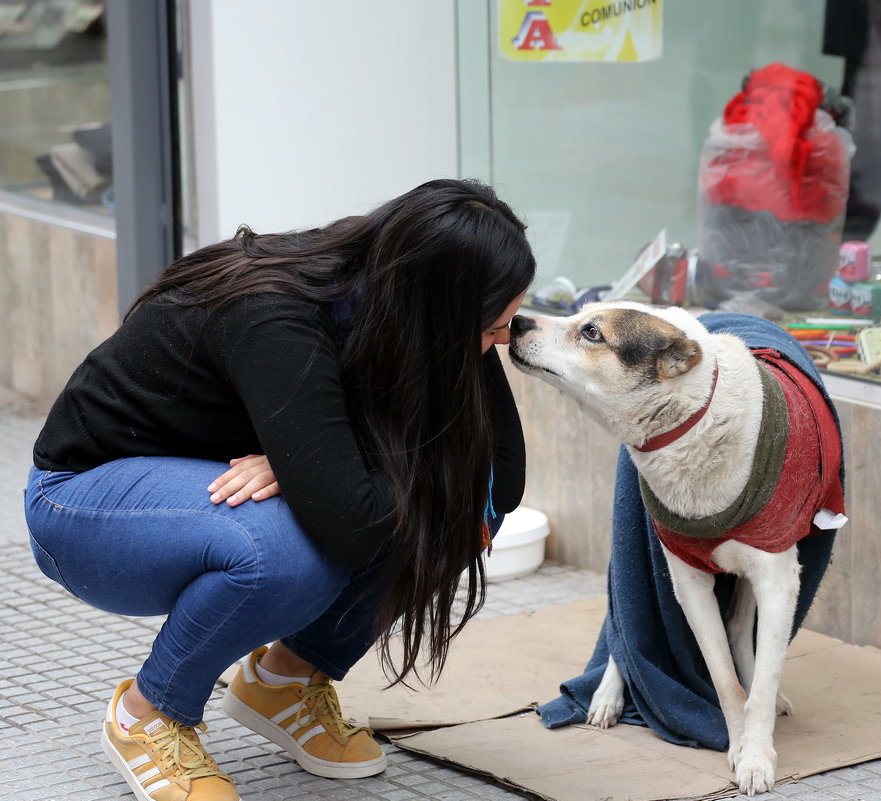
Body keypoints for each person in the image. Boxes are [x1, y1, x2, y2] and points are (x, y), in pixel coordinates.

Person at [23, 178, 535, 801]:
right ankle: (148, 714)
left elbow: (500, 479)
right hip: (86, 503)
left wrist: (316, 462)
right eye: (493, 328)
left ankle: (285, 680)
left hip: (206, 489)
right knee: (290, 551)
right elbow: (355, 524)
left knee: (463, 505)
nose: (503, 344)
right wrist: (318, 470)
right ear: (437, 308)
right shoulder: (275, 313)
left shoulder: (413, 302)